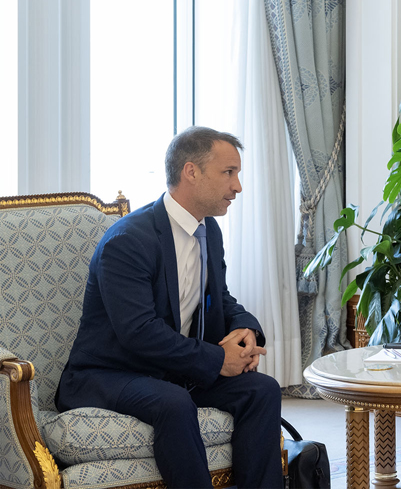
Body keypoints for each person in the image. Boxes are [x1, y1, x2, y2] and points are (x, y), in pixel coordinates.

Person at [56, 127, 283, 489]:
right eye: (229, 173)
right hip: (110, 373)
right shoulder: (129, 241)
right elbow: (138, 332)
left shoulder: (209, 230)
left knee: (263, 390)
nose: (238, 186)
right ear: (191, 172)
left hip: (173, 369)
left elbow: (219, 297)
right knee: (173, 402)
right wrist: (215, 360)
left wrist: (246, 332)